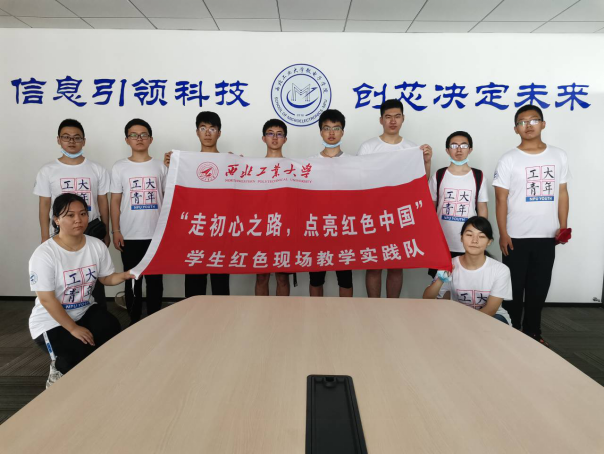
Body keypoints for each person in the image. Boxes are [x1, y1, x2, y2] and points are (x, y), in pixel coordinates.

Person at [28, 193, 133, 388]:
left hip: (84, 310)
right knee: (77, 355)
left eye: (83, 213)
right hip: (50, 320)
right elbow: (47, 299)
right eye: (70, 215)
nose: (78, 219)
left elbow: (105, 278)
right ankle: (58, 369)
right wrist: (73, 328)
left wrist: (126, 275)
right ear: (56, 220)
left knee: (110, 328)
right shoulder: (44, 254)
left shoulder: (96, 246)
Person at [493, 105, 570, 346]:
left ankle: (533, 332)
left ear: (543, 124)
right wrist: (503, 233)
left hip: (547, 235)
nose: (528, 125)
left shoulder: (558, 155)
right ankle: (512, 331)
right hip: (515, 236)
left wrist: (563, 226)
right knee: (514, 290)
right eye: (522, 122)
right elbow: (501, 199)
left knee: (539, 288)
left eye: (534, 120)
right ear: (516, 128)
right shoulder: (509, 159)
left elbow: (562, 193)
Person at [357, 99, 433, 298]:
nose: (393, 121)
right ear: (381, 120)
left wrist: (426, 162)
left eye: (397, 116)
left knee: (396, 265)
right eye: (388, 117)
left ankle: (393, 308)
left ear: (403, 119)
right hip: (374, 215)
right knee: (374, 265)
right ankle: (374, 308)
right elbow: (359, 182)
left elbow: (420, 185)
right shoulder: (368, 147)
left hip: (400, 215)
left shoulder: (411, 148)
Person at [34, 119, 110, 309]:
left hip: (91, 229)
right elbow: (44, 205)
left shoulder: (97, 169)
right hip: (62, 232)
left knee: (93, 275)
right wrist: (44, 236)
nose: (71, 141)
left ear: (84, 141)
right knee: (66, 276)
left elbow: (103, 202)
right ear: (58, 140)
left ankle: (97, 312)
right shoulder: (47, 171)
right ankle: (64, 316)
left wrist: (107, 231)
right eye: (66, 137)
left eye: (77, 137)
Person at [164, 111, 230, 297]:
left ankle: (223, 316)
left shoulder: (229, 161)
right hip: (195, 230)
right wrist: (172, 168)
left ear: (219, 133)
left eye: (212, 128)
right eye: (203, 128)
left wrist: (238, 164)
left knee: (220, 286)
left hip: (219, 231)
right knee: (194, 287)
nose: (207, 133)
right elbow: (174, 195)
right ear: (197, 132)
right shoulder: (185, 163)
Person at [110, 119, 166, 324]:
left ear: (151, 139)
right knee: (132, 280)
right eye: (133, 135)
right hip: (130, 234)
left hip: (156, 234)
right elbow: (115, 201)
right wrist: (116, 230)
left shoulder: (161, 166)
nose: (139, 138)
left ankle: (154, 319)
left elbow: (168, 198)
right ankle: (134, 321)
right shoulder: (119, 167)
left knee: (155, 281)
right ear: (127, 140)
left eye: (143, 135)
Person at [423, 216, 512, 325]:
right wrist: (441, 278)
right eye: (469, 235)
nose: (474, 240)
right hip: (458, 316)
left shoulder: (500, 270)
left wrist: (463, 325)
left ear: (489, 242)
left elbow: (491, 309)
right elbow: (427, 298)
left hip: (492, 318)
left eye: (481, 236)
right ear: (461, 238)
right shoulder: (450, 265)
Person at [428, 131, 488, 278]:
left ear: (470, 149)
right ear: (447, 150)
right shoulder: (439, 175)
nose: (459, 150)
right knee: (440, 283)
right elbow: (430, 208)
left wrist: (482, 237)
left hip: (469, 242)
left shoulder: (478, 176)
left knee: (466, 281)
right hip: (442, 242)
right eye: (454, 146)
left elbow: (482, 208)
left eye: (464, 145)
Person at [308, 109, 353, 297]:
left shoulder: (354, 162)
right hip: (318, 228)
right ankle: (316, 313)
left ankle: (346, 313)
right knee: (316, 279)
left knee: (345, 279)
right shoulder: (309, 163)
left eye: (336, 128)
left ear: (343, 132)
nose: (331, 132)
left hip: (344, 228)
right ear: (321, 132)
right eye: (327, 128)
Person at [255, 119, 292, 296]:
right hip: (260, 228)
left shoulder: (293, 166)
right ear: (264, 138)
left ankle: (283, 312)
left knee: (282, 278)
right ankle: (261, 312)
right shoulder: (253, 166)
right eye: (270, 133)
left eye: (279, 134)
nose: (275, 138)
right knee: (261, 277)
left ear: (285, 139)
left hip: (283, 228)